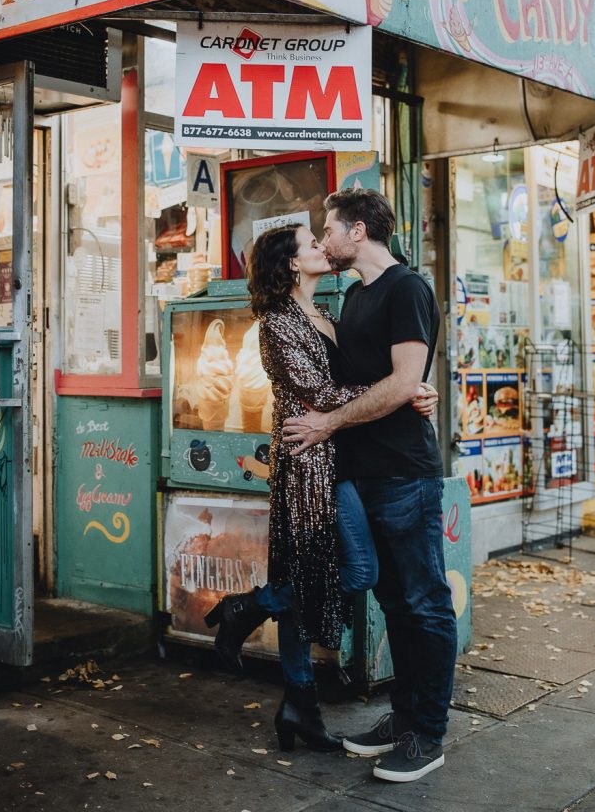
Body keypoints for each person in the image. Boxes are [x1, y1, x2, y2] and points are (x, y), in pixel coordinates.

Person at [205, 223, 436, 753]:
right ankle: (252, 611)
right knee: (357, 570)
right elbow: (322, 393)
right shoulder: (276, 323)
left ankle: (298, 704)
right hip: (308, 462)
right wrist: (402, 390)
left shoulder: (327, 314)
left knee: (304, 576)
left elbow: (352, 385)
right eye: (312, 243)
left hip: (337, 457)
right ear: (291, 263)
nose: (320, 247)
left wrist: (409, 388)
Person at [283, 188, 458, 784]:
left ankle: (427, 734)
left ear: (357, 231)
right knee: (394, 604)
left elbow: (406, 379)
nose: (323, 239)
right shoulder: (354, 295)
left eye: (327, 229)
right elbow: (379, 384)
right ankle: (402, 718)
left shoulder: (406, 288)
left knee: (424, 603)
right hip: (362, 474)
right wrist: (405, 394)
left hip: (405, 474)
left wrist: (334, 421)